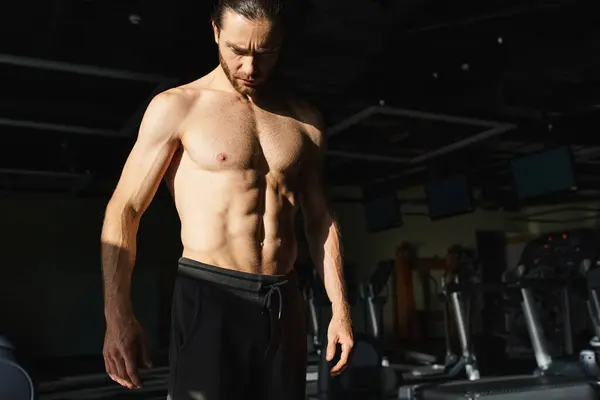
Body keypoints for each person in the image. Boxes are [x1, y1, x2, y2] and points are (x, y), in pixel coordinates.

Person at [100, 0, 354, 399]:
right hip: (210, 294)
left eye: (264, 53)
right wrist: (118, 315)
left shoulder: (304, 120)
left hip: (284, 299)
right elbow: (125, 209)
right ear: (216, 33)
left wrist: (339, 308)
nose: (250, 68)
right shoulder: (178, 107)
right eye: (237, 51)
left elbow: (320, 218)